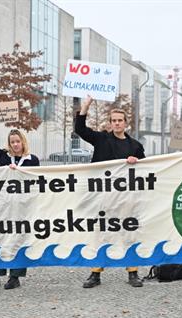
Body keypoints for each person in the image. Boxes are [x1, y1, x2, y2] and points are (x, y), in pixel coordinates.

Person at [74, 95, 145, 288]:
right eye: (113, 120)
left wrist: (137, 162)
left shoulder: (135, 146)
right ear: (110, 123)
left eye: (119, 120)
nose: (116, 123)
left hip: (126, 198)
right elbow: (79, 130)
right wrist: (85, 108)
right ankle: (95, 274)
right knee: (100, 233)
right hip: (102, 197)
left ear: (125, 123)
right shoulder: (101, 139)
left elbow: (146, 171)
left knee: (128, 233)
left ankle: (133, 272)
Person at [0, 113, 40, 290]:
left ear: (23, 142)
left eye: (17, 141)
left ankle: (15, 276)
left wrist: (19, 172)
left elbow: (37, 182)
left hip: (22, 207)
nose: (15, 144)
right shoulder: (3, 157)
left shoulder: (33, 160)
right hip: (3, 206)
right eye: (12, 142)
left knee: (18, 240)